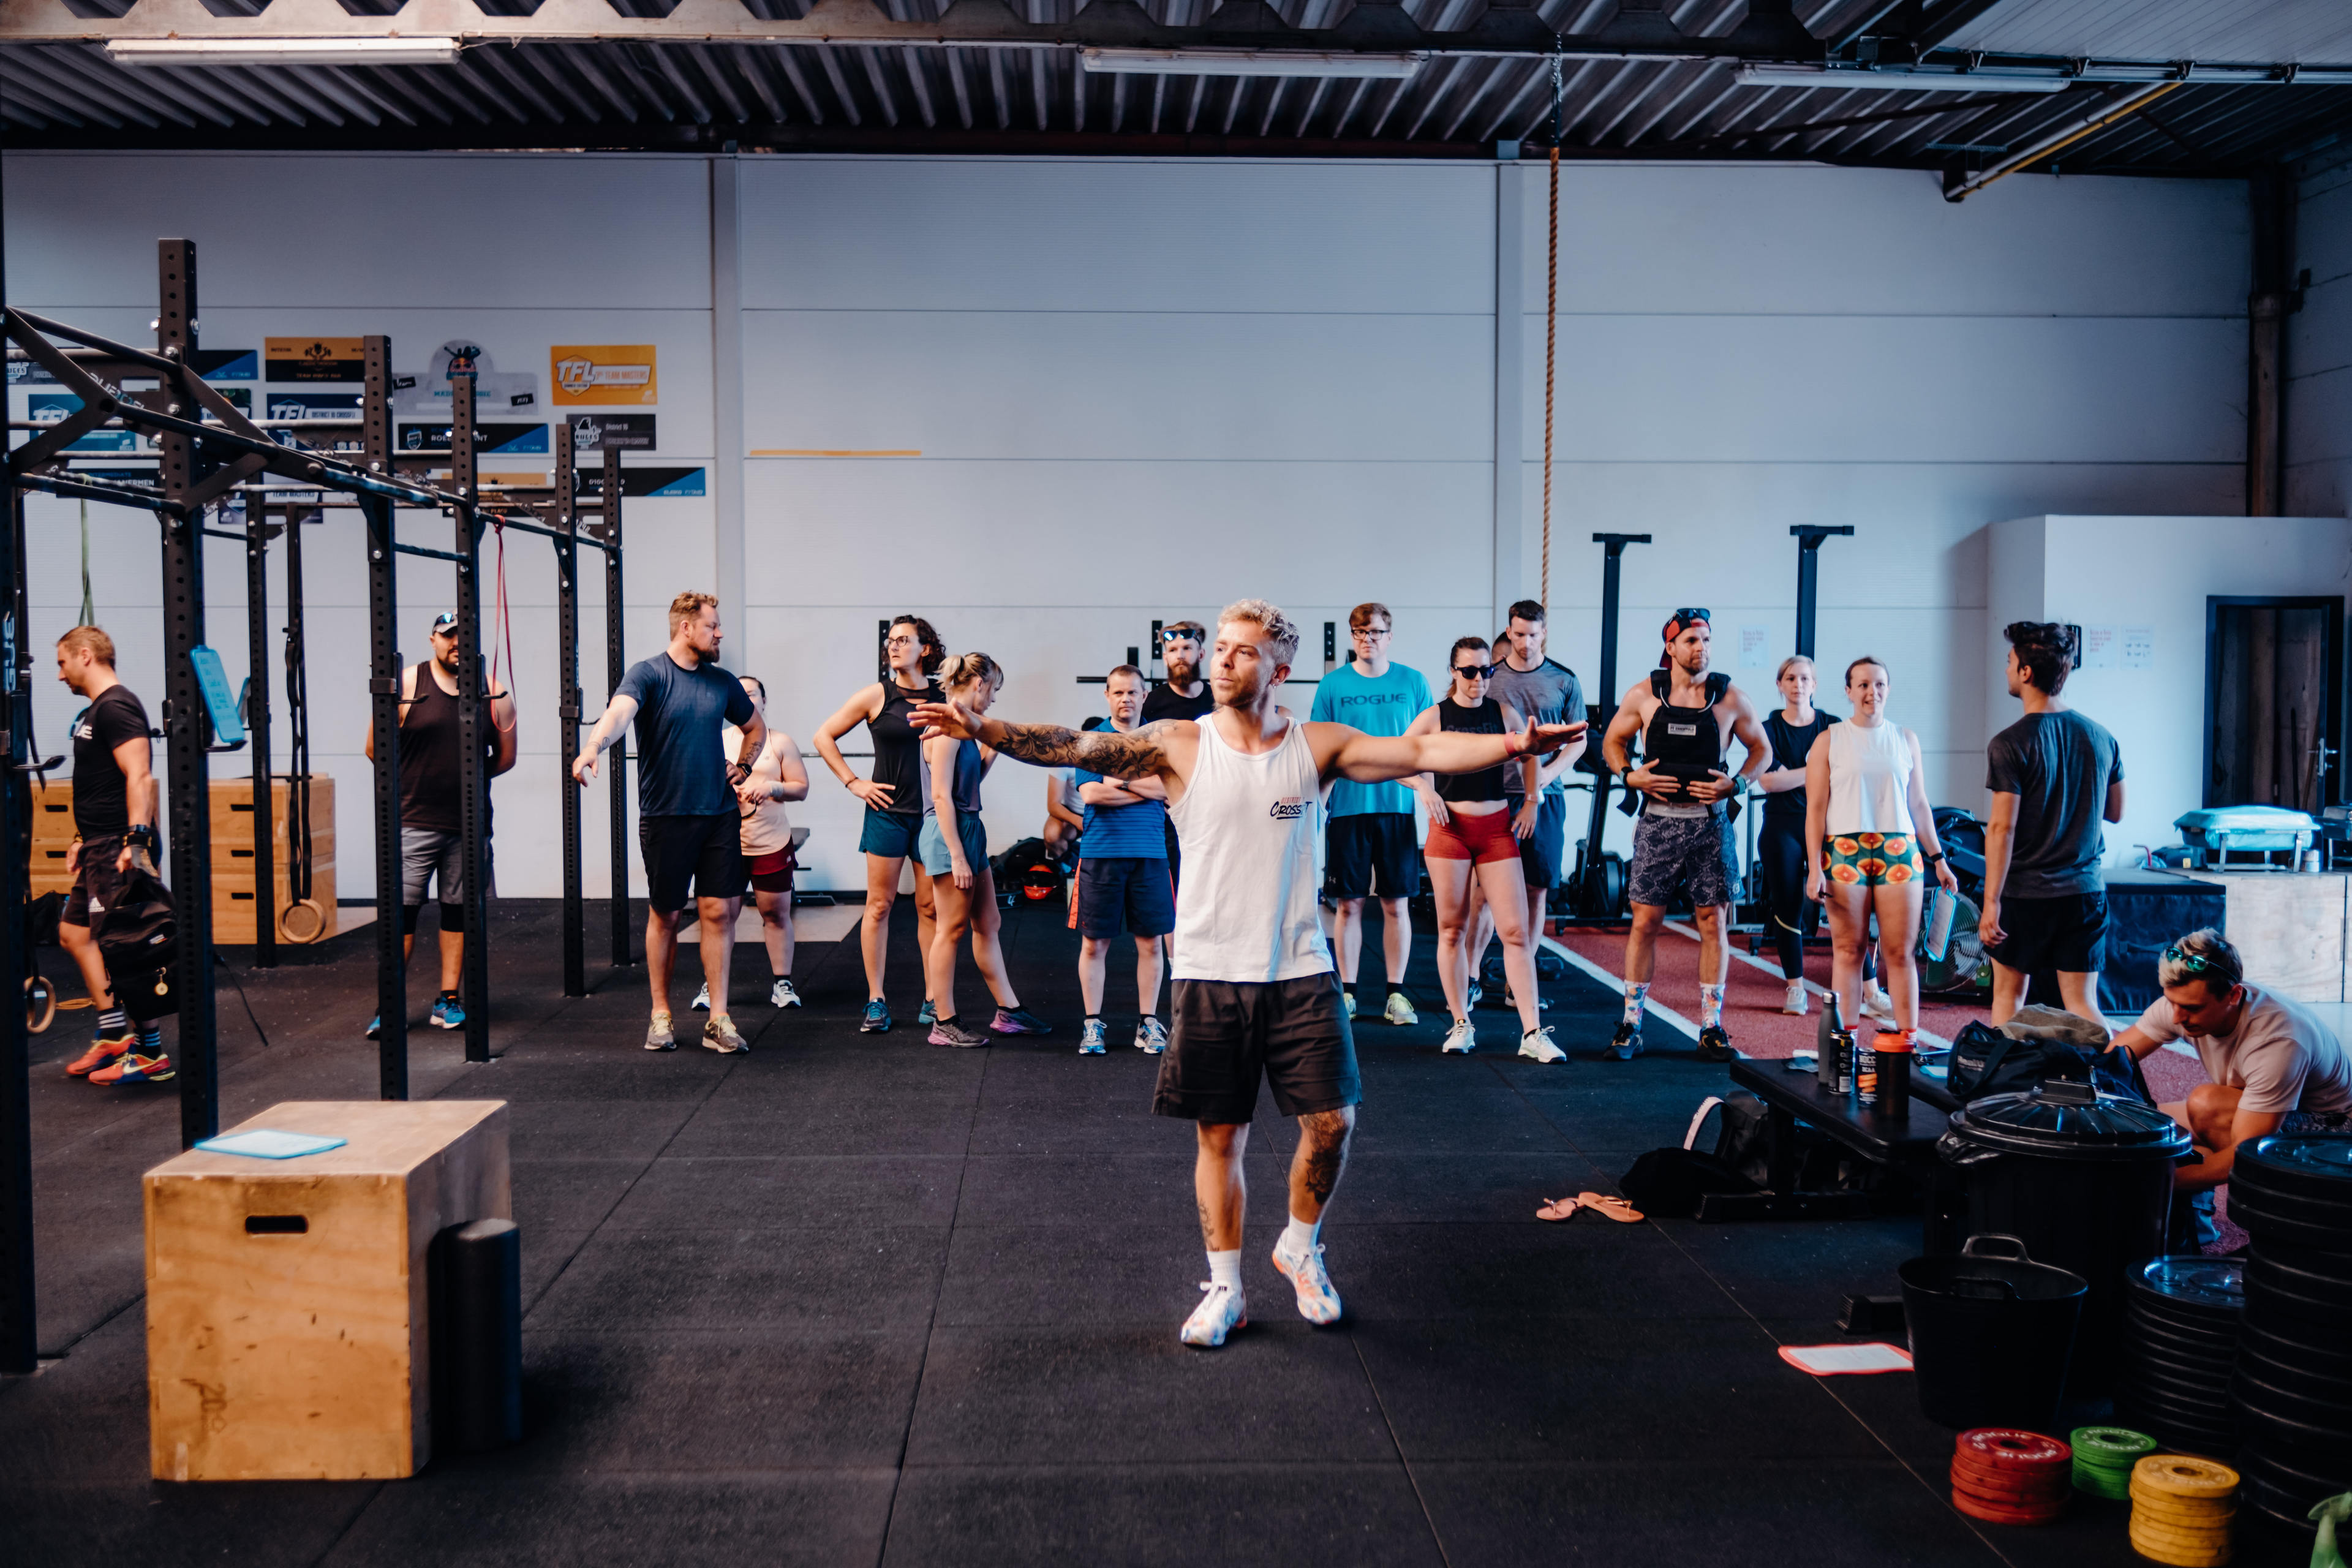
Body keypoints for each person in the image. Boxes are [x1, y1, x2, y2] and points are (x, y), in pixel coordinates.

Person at [912, 598, 1583, 1349]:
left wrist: (1516, 744)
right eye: (1221, 647)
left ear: (1280, 670)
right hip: (1209, 972)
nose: (1223, 659)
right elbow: (1076, 746)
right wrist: (984, 728)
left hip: (1300, 969)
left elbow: (1420, 752)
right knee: (1221, 1137)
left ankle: (1299, 1247)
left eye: (1242, 650)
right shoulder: (1179, 742)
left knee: (1334, 1125)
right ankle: (1226, 1286)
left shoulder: (1318, 745)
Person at [573, 592, 763, 1054]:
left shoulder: (722, 682)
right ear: (686, 628)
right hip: (666, 817)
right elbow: (619, 713)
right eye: (712, 626)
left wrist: (744, 765)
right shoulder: (649, 674)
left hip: (718, 815)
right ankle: (661, 1014)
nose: (720, 634)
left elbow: (755, 727)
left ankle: (718, 1018)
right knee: (668, 914)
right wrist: (593, 746)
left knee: (718, 913)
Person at [1599, 609, 1768, 1063]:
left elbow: (1762, 749)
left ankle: (1711, 1027)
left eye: (1707, 640)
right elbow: (1612, 742)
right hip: (1658, 822)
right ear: (1671, 647)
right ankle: (1631, 1024)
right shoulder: (1644, 695)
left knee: (1713, 922)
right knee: (1645, 922)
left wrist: (1738, 783)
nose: (1702, 648)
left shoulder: (1729, 698)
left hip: (1710, 824)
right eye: (1692, 640)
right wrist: (1630, 775)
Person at [363, 610, 519, 1039]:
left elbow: (506, 758)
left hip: (468, 825)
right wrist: (420, 781)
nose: (457, 644)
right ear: (433, 639)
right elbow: (375, 747)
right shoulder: (407, 685)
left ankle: (448, 999)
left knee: (458, 912)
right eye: (449, 636)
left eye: (464, 636)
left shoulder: (494, 692)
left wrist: (466, 782)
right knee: (402, 915)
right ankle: (389, 1004)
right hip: (413, 821)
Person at [1411, 638, 1562, 1063]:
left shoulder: (1503, 714)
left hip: (1496, 829)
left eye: (1485, 671)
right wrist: (1423, 787)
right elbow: (1398, 759)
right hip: (1450, 830)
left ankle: (1532, 1032)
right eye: (1469, 671)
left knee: (1515, 932)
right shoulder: (1435, 716)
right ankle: (1461, 1023)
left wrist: (1532, 800)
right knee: (1451, 930)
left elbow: (1531, 754)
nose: (1478, 679)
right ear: (1454, 672)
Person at [2109, 930, 2352, 1190]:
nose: (2177, 1017)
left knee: (2206, 1105)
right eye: (2171, 1002)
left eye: (2192, 1008)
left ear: (2234, 996)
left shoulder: (2278, 1040)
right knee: (2135, 1121)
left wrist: (2154, 1182)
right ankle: (2202, 1156)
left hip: (2331, 1134)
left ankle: (2273, 1193)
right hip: (2259, 1108)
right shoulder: (2182, 1003)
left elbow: (2247, 1153)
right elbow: (2108, 1062)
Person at [1802, 658, 1958, 1044]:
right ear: (1849, 691)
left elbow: (1919, 804)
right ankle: (1845, 1046)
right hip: (1844, 852)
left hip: (1900, 852)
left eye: (1880, 684)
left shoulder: (1906, 739)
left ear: (1888, 689)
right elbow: (1816, 809)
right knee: (1848, 951)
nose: (1872, 692)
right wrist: (1814, 868)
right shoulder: (1828, 740)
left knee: (1900, 953)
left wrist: (1939, 859)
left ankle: (1907, 1042)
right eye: (1863, 685)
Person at [1980, 620, 2126, 1025]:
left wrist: (1991, 902)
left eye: (2009, 662)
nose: (2006, 669)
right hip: (2084, 893)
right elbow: (2116, 812)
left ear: (2026, 672)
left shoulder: (2009, 743)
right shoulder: (2101, 737)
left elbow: (2002, 829)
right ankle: (2105, 1068)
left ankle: (2005, 1068)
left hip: (2025, 894)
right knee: (2082, 1002)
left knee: (2009, 997)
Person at [813, 615, 945, 1034]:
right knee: (879, 906)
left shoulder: (943, 697)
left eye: (904, 640)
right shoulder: (878, 695)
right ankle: (876, 999)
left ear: (925, 648)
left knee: (930, 908)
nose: (894, 646)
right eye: (891, 641)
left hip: (930, 816)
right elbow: (823, 736)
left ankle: (934, 998)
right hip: (887, 813)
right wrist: (853, 782)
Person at [53, 627, 169, 1085]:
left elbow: (139, 775)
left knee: (124, 946)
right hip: (98, 844)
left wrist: (136, 841)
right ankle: (113, 1032)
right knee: (74, 934)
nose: (59, 674)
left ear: (85, 655)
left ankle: (150, 1052)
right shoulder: (96, 711)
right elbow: (101, 783)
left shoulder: (117, 707)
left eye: (62, 663)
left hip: (118, 848)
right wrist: (82, 837)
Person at [919, 652, 1051, 1047]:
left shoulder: (965, 729)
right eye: (993, 690)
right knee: (951, 929)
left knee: (988, 923)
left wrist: (993, 748)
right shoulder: (945, 730)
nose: (993, 699)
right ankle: (943, 1022)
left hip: (970, 828)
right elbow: (941, 796)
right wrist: (957, 855)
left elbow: (968, 783)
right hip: (950, 833)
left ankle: (1009, 1011)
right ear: (980, 684)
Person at [1310, 602, 1431, 1025]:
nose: (1368, 639)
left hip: (1397, 807)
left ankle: (1396, 995)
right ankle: (1348, 993)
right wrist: (1318, 805)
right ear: (1353, 637)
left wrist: (1429, 794)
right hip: (1348, 809)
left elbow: (1427, 748)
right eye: (1361, 632)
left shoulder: (1413, 682)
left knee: (1397, 904)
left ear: (1389, 636)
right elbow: (1320, 749)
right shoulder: (1333, 685)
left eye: (1376, 632)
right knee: (1350, 905)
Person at [1468, 599, 1588, 1014]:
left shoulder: (1564, 680)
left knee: (1537, 890)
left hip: (1546, 797)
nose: (1525, 642)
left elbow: (1578, 743)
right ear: (1509, 631)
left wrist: (1546, 777)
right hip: (1494, 795)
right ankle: (1470, 979)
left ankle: (1517, 984)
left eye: (1533, 635)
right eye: (1518, 634)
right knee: (1483, 893)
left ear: (1544, 634)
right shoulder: (1491, 678)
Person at [1072, 665, 1174, 1056]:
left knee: (1151, 944)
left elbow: (1169, 789)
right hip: (1101, 854)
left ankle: (1148, 1024)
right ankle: (1092, 1025)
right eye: (1118, 692)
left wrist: (1122, 782)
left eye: (1133, 692)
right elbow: (1092, 795)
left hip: (1151, 855)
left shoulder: (1160, 740)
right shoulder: (1093, 741)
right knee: (1094, 944)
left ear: (1144, 695)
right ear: (1107, 696)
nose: (1126, 699)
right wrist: (1145, 788)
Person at [690, 674, 807, 1014]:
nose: (745, 699)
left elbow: (801, 788)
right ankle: (712, 985)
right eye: (739, 694)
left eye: (752, 694)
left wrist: (772, 788)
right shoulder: (717, 740)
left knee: (776, 913)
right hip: (724, 844)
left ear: (764, 701)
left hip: (770, 841)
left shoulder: (780, 742)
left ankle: (782, 984)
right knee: (719, 917)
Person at [1755, 655, 1833, 1016]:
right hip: (1782, 826)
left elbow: (1843, 774)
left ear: (1814, 685)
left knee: (1843, 906)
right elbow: (1768, 781)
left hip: (1828, 825)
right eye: (1790, 678)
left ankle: (1870, 990)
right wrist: (1818, 769)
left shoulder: (1832, 727)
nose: (1798, 684)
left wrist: (1793, 774)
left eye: (1805, 678)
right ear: (1780, 685)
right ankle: (1795, 989)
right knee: (1788, 906)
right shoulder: (1768, 730)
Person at [1142, 620, 1214, 725]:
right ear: (1166, 658)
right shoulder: (1149, 705)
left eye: (1187, 648)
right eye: (1173, 650)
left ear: (1201, 655)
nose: (1180, 656)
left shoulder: (1218, 700)